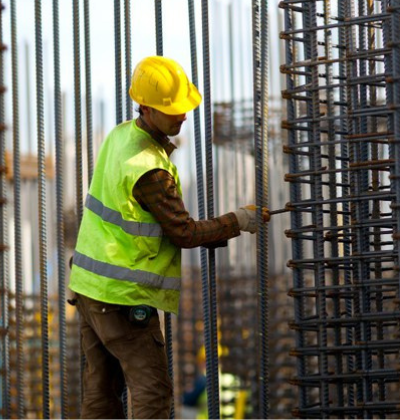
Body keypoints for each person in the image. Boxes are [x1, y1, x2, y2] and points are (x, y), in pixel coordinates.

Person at [68, 55, 270, 419]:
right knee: (153, 393)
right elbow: (184, 233)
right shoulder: (149, 169)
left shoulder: (120, 136)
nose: (183, 116)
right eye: (173, 110)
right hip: (122, 300)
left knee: (100, 396)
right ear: (145, 108)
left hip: (88, 288)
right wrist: (238, 220)